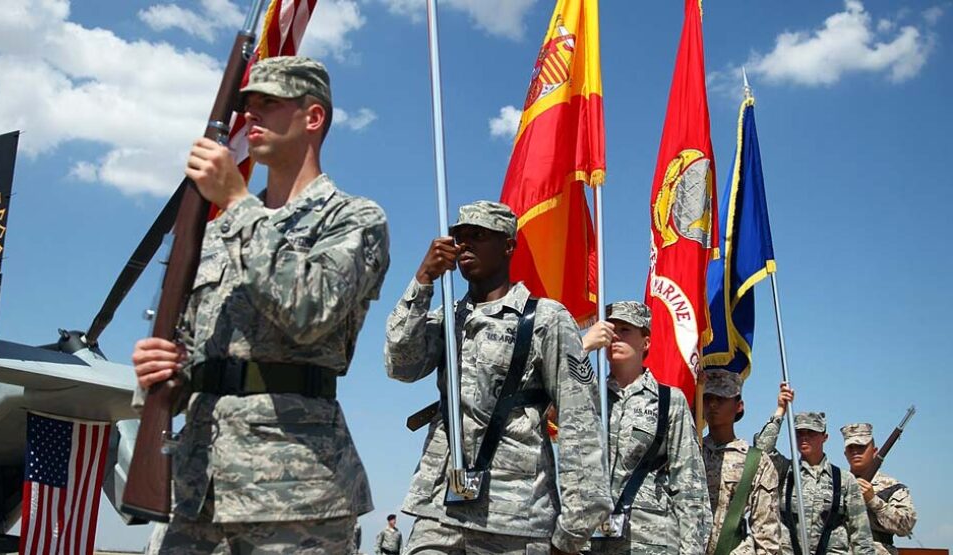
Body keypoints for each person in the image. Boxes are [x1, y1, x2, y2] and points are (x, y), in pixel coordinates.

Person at [131, 55, 390, 554]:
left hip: (294, 493)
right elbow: (188, 353)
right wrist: (160, 372)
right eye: (247, 105)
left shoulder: (353, 218)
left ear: (313, 116)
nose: (251, 115)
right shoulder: (213, 236)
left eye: (269, 103)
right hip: (197, 490)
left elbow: (311, 312)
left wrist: (237, 202)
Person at [385, 200, 611, 555]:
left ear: (508, 245)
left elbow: (579, 422)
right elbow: (401, 365)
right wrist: (423, 281)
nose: (464, 244)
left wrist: (574, 528)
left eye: (478, 235)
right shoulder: (449, 317)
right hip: (439, 511)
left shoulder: (545, 319)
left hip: (513, 519)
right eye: (459, 236)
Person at [582, 302, 710, 555]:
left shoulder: (668, 400)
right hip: (592, 541)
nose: (615, 336)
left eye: (625, 330)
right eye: (610, 329)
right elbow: (543, 404)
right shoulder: (588, 396)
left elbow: (689, 483)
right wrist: (582, 347)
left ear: (646, 342)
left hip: (650, 541)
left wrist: (692, 549)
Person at [753, 385, 876, 555]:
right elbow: (761, 450)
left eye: (811, 433)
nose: (804, 438)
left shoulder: (844, 480)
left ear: (825, 437)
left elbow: (861, 536)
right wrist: (780, 410)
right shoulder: (785, 472)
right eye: (799, 433)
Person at [700, 370, 780, 555]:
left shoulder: (756, 462)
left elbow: (767, 538)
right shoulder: (690, 453)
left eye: (721, 399)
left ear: (739, 406)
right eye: (707, 398)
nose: (713, 404)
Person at [841, 423, 917, 555]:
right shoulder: (835, 484)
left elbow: (905, 527)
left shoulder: (892, 487)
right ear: (845, 453)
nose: (855, 451)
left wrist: (873, 500)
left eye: (861, 447)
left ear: (874, 451)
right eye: (851, 447)